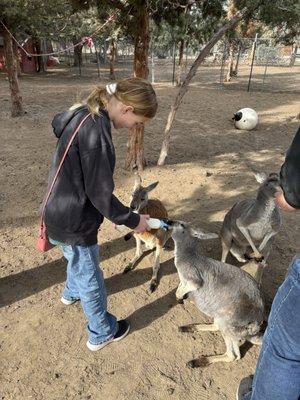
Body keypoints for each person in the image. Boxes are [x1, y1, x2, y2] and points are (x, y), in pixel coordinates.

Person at [43, 77, 158, 351]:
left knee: (75, 260)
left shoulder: (84, 113)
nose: (135, 127)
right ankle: (101, 331)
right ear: (127, 109)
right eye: (138, 121)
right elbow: (100, 195)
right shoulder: (97, 133)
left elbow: (56, 123)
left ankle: (71, 292)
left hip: (56, 210)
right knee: (91, 277)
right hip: (75, 221)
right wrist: (134, 220)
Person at [237, 125, 300, 400]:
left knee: (285, 350)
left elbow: (293, 194)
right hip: (243, 239)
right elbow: (240, 223)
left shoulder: (276, 213)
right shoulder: (256, 205)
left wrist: (285, 193)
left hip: (263, 235)